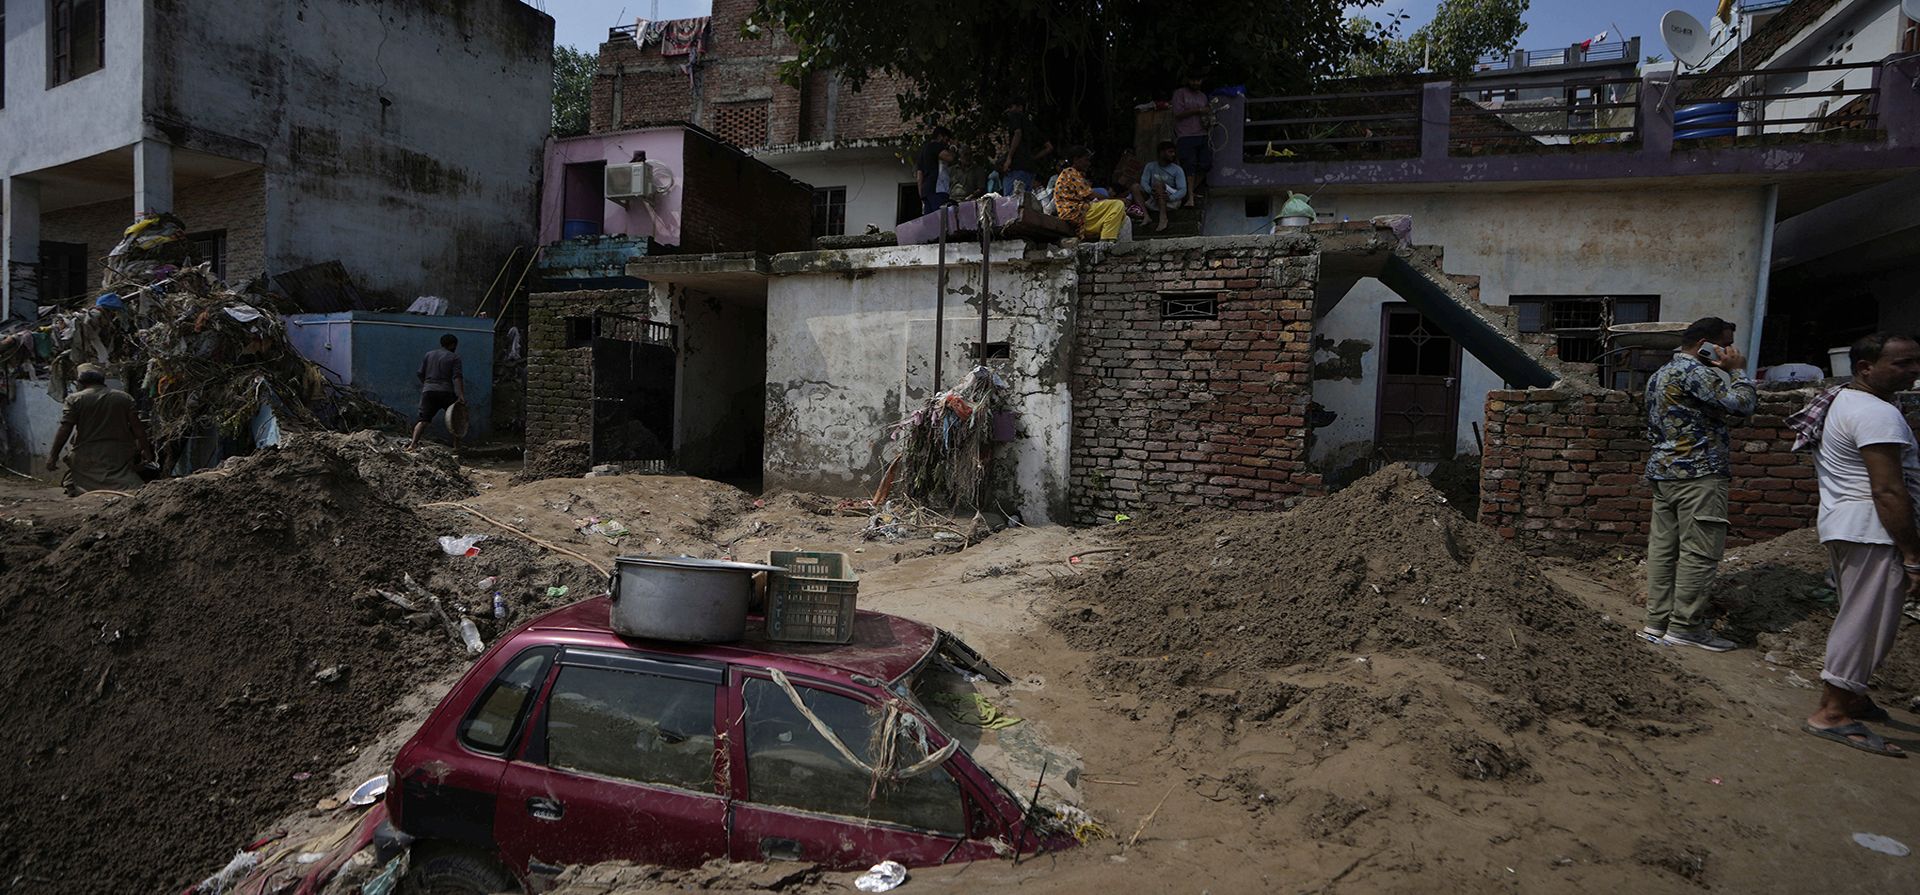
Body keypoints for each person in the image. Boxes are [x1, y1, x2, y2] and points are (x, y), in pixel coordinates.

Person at [1798, 333, 1920, 757]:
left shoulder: (1845, 401)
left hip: (1849, 525)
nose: (1913, 371)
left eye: (1916, 362)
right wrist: (1913, 554)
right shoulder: (1875, 413)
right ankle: (1832, 713)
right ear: (1866, 368)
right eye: (1902, 363)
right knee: (1867, 623)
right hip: (1873, 530)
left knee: (1859, 615)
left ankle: (1850, 698)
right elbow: (1888, 490)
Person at [1640, 316, 1756, 650]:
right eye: (1726, 344)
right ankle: (1685, 627)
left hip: (1664, 472)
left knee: (1662, 551)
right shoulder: (1697, 372)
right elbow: (1742, 406)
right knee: (1700, 552)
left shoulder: (1660, 374)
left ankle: (1656, 624)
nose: (1730, 351)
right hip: (1699, 474)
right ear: (1706, 344)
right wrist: (1737, 371)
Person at [47, 364, 153, 496]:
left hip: (86, 456)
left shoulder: (75, 399)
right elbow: (138, 429)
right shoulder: (124, 397)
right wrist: (147, 452)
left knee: (74, 481)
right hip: (118, 455)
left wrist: (53, 456)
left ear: (80, 381)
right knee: (129, 483)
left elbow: (65, 429)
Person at [1053, 148, 1131, 241]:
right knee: (1117, 204)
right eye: (1086, 160)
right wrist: (1117, 200)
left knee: (1124, 218)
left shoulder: (1074, 173)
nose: (1088, 163)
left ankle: (1120, 245)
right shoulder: (1070, 172)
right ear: (1076, 159)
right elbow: (1090, 195)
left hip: (1082, 212)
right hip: (1075, 214)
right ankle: (1106, 241)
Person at [409, 334, 467, 452]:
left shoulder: (429, 355)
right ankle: (457, 447)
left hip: (429, 391)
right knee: (456, 419)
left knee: (423, 420)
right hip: (446, 391)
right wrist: (461, 395)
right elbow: (457, 377)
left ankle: (413, 444)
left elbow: (420, 373)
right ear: (453, 345)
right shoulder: (454, 357)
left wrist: (427, 384)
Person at [1171, 74, 1212, 207]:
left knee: (1206, 164)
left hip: (1202, 133)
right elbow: (1178, 113)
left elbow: (1207, 112)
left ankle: (1188, 192)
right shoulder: (1180, 93)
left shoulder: (1203, 96)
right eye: (1193, 80)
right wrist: (1198, 110)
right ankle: (1190, 198)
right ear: (1188, 80)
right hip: (1185, 135)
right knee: (1189, 165)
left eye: (1198, 80)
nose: (1196, 82)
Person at [1000, 99, 1052, 193]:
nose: (1009, 110)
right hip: (1029, 169)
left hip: (1017, 166)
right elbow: (1049, 147)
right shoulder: (1031, 125)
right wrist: (1032, 158)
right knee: (1024, 199)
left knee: (1011, 199)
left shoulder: (1015, 117)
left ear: (1019, 107)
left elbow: (1018, 133)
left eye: (1011, 107)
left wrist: (1009, 158)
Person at [1139, 141, 1188, 232]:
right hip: (1154, 197)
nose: (1173, 155)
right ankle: (1146, 215)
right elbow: (1144, 181)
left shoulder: (1177, 170)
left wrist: (1171, 197)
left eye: (1174, 152)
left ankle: (1163, 218)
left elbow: (1183, 190)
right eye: (1170, 152)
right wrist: (1151, 191)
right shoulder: (1150, 166)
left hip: (1171, 200)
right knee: (1135, 187)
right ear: (1161, 153)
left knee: (1158, 184)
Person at [916, 125, 955, 216]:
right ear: (940, 136)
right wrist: (953, 147)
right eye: (946, 140)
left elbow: (919, 175)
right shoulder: (935, 146)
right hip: (938, 189)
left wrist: (921, 193)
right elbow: (950, 158)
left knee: (930, 220)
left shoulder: (923, 151)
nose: (947, 143)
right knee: (941, 219)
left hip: (926, 192)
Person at [1109, 146, 1150, 216]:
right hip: (1118, 189)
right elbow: (1115, 177)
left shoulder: (1140, 166)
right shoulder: (1121, 164)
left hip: (1129, 191)